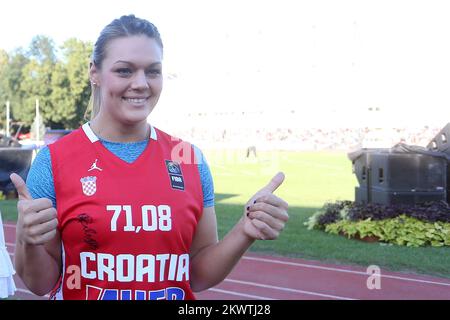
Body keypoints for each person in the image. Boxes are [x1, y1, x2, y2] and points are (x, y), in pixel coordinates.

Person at [10, 14, 289, 300]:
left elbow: (198, 275)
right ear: (94, 72)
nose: (141, 83)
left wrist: (245, 230)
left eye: (153, 71)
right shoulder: (54, 160)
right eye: (124, 71)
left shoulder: (189, 158)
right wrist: (27, 239)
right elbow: (40, 284)